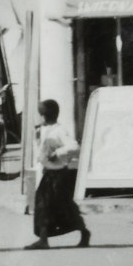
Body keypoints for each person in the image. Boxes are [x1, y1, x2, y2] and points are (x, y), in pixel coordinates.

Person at [26, 98, 91, 250]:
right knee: (43, 205)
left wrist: (58, 153)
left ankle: (83, 232)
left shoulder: (59, 130)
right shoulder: (42, 130)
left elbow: (74, 146)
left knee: (63, 206)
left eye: (40, 114)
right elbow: (42, 151)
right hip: (48, 174)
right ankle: (43, 239)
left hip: (59, 175)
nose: (39, 117)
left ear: (45, 116)